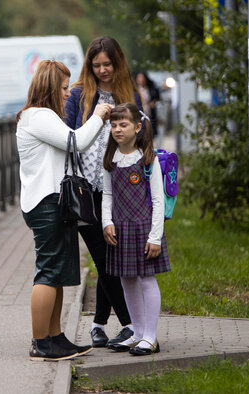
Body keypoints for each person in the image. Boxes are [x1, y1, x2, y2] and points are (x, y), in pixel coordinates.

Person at [16, 59, 112, 361]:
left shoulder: (45, 117)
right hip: (46, 203)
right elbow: (79, 142)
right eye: (62, 87)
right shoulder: (37, 117)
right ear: (48, 88)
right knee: (47, 273)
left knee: (56, 273)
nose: (68, 93)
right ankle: (40, 343)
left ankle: (55, 338)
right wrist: (97, 114)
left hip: (53, 202)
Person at [64, 36, 143, 348]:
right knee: (104, 256)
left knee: (110, 257)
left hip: (122, 188)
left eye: (107, 64)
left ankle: (98, 325)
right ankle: (131, 324)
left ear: (117, 62)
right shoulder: (80, 94)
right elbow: (68, 137)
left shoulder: (129, 93)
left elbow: (144, 133)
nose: (101, 70)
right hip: (86, 188)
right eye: (96, 65)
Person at [100, 103, 170, 355]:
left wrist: (155, 237)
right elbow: (107, 195)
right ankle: (137, 333)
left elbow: (158, 201)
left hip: (143, 229)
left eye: (123, 125)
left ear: (138, 127)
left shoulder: (148, 159)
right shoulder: (110, 159)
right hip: (120, 229)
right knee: (126, 280)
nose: (117, 129)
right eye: (113, 125)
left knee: (147, 280)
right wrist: (107, 222)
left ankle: (150, 336)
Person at [135, 71, 160, 137]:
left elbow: (157, 98)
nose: (141, 80)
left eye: (142, 78)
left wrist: (153, 102)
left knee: (150, 131)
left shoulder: (151, 89)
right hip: (139, 112)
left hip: (149, 112)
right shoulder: (135, 90)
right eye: (139, 78)